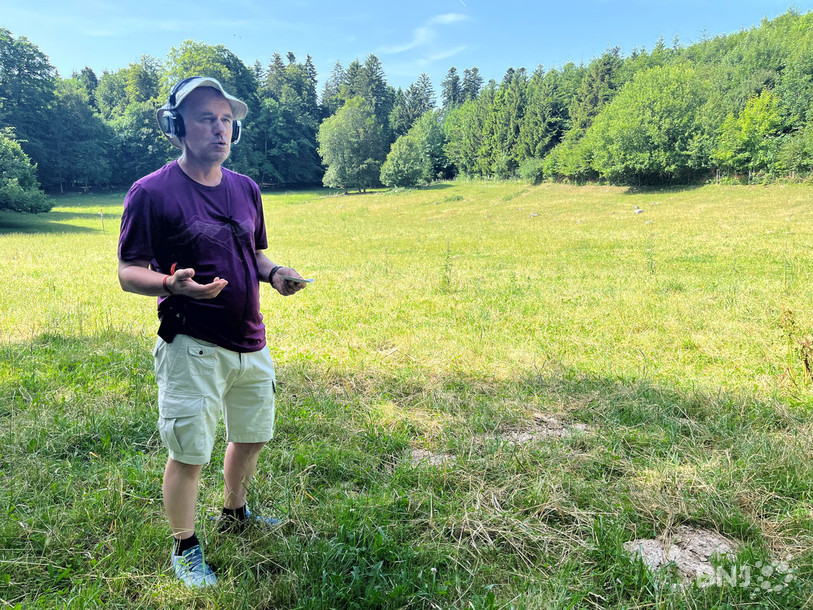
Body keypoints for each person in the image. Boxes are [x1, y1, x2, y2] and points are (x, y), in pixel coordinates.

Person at [117, 76, 306, 588]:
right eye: (207, 118)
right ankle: (184, 545)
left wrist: (275, 274)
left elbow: (257, 252)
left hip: (251, 338)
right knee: (190, 450)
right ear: (176, 126)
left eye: (227, 120)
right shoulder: (151, 192)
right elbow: (127, 269)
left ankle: (235, 513)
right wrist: (168, 284)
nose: (220, 128)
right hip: (191, 344)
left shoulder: (246, 188)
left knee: (251, 436)